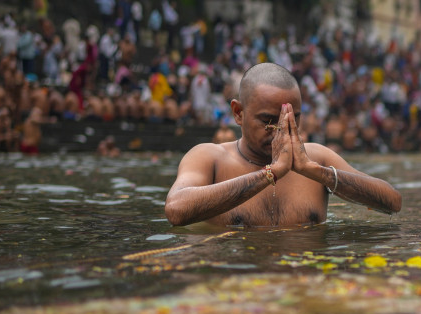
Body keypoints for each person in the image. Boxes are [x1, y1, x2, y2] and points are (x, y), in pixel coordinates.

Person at [165, 62, 402, 228]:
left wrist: (316, 172)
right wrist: (271, 172)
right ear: (238, 113)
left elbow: (393, 202)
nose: (281, 129)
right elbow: (176, 210)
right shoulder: (209, 157)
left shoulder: (316, 158)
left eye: (292, 118)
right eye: (268, 121)